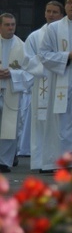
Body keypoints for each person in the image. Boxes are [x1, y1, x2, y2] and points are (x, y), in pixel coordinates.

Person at [39, 0, 72, 171]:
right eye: (69, 3)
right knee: (63, 123)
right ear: (65, 6)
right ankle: (64, 162)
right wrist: (68, 56)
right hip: (62, 80)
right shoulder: (54, 28)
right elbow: (43, 54)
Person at [22, 1, 64, 171]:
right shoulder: (34, 36)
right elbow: (27, 60)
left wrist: (57, 63)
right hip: (43, 82)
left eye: (55, 12)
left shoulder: (64, 33)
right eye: (48, 11)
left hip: (61, 82)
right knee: (40, 123)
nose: (51, 14)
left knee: (59, 123)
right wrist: (47, 66)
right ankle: (41, 162)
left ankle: (58, 161)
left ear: (61, 15)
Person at [0, 13, 33, 173]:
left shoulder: (21, 46)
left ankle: (4, 161)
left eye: (13, 24)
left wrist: (12, 74)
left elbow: (29, 71)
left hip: (11, 91)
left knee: (9, 125)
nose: (10, 28)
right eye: (7, 25)